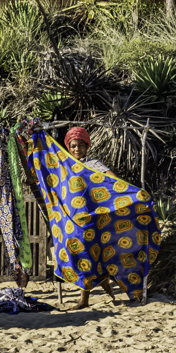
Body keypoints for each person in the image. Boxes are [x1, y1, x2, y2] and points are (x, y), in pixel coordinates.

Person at [64, 127, 118, 311]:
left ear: (87, 146)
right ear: (68, 147)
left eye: (81, 145)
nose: (77, 149)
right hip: (72, 218)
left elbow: (113, 179)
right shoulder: (65, 165)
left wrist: (127, 190)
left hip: (91, 217)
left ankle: (85, 299)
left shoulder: (94, 164)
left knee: (88, 254)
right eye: (73, 145)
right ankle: (102, 288)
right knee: (79, 255)